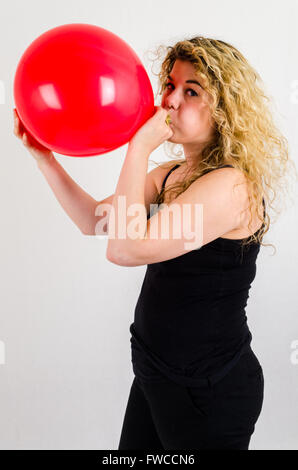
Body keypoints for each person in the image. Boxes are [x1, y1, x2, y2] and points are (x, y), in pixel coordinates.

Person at [13, 36, 295, 450]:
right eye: (169, 85)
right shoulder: (170, 174)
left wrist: (138, 147)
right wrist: (45, 159)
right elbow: (93, 221)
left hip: (208, 390)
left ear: (225, 108)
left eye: (191, 91)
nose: (171, 101)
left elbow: (126, 249)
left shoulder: (232, 186)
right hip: (154, 372)